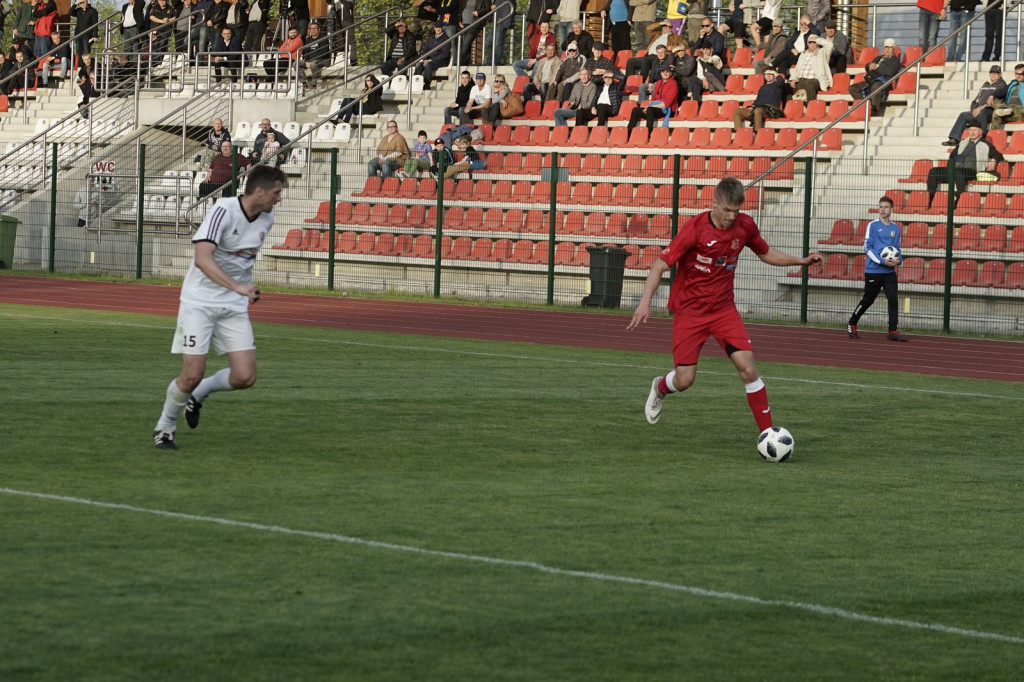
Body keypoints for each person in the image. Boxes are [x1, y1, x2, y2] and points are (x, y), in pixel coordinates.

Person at [627, 176, 823, 431]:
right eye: (727, 210)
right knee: (685, 380)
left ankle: (768, 434)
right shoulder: (695, 229)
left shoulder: (745, 226)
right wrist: (645, 302)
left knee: (748, 369)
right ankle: (661, 387)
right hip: (690, 312)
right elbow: (660, 265)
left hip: (723, 311)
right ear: (714, 203)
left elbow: (765, 253)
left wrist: (801, 261)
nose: (732, 217)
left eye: (737, 211)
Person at [152, 164, 286, 450]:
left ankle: (198, 394)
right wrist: (237, 286)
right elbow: (202, 257)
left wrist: (240, 289)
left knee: (245, 377)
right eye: (276, 192)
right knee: (191, 374)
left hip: (234, 304)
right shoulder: (223, 210)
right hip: (199, 302)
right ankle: (165, 427)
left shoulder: (267, 216)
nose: (279, 198)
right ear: (259, 191)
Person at [846, 197, 907, 342]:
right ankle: (852, 322)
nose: (883, 210)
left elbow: (897, 249)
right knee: (868, 300)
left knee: (893, 299)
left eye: (886, 207)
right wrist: (882, 261)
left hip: (889, 273)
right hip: (874, 270)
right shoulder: (872, 225)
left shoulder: (896, 228)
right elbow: (867, 248)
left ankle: (892, 330)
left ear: (891, 209)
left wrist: (899, 260)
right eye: (881, 207)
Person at [926, 117, 1003, 204]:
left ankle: (958, 200)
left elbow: (999, 155)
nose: (972, 132)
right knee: (934, 171)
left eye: (975, 130)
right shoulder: (962, 142)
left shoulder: (985, 144)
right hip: (955, 170)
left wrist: (993, 160)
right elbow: (952, 156)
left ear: (980, 132)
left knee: (959, 172)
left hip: (971, 172)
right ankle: (930, 198)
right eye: (970, 130)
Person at [943, 65, 1006, 145]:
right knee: (963, 115)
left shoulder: (1002, 85)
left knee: (982, 114)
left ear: (1000, 74)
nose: (993, 75)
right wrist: (974, 109)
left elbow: (994, 100)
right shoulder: (985, 84)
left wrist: (980, 109)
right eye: (991, 73)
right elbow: (976, 100)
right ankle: (954, 139)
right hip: (979, 110)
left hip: (990, 110)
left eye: (996, 73)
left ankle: (981, 139)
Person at [849, 38, 902, 116]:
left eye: (890, 47)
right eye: (886, 47)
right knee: (853, 88)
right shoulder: (879, 58)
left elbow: (890, 72)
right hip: (872, 80)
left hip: (884, 82)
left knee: (876, 86)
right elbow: (868, 65)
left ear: (894, 48)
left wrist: (877, 67)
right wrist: (869, 66)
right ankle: (864, 106)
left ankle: (875, 109)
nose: (887, 49)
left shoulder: (896, 61)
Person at [627, 66, 677, 130]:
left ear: (670, 73)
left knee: (650, 110)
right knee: (635, 110)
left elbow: (668, 103)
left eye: (667, 72)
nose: (665, 73)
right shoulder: (658, 83)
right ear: (661, 73)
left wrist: (652, 107)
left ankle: (648, 133)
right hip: (655, 108)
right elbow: (653, 99)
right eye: (663, 72)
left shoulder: (673, 83)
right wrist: (648, 107)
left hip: (667, 109)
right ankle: (628, 133)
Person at [788, 33, 831, 101]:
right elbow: (797, 68)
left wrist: (818, 39)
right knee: (784, 87)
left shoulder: (822, 52)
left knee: (809, 85)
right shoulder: (803, 53)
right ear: (807, 43)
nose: (812, 43)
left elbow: (830, 45)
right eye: (810, 42)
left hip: (815, 80)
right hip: (801, 80)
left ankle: (811, 108)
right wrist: (793, 79)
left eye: (814, 42)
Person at [415, 21, 451, 90]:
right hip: (429, 59)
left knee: (429, 64)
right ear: (434, 28)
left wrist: (431, 59)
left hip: (442, 61)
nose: (438, 29)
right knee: (419, 65)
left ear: (442, 28)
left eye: (439, 28)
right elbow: (425, 50)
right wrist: (425, 58)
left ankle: (426, 84)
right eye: (436, 27)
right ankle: (416, 83)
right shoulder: (431, 38)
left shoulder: (446, 39)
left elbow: (445, 54)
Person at [990, 63, 1024, 129]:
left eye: (1021, 74)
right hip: (1009, 107)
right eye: (1016, 73)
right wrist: (992, 95)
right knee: (996, 103)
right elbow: (1001, 92)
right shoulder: (1013, 83)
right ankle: (1002, 108)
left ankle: (1003, 109)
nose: (1018, 76)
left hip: (1020, 110)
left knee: (996, 113)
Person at [301, 21, 332, 88]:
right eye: (311, 29)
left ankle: (314, 83)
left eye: (315, 28)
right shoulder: (308, 39)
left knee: (314, 63)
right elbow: (306, 52)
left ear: (319, 29)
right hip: (310, 61)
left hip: (324, 60)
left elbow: (324, 52)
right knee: (296, 63)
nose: (313, 30)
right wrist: (306, 61)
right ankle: (303, 82)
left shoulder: (323, 38)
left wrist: (311, 61)